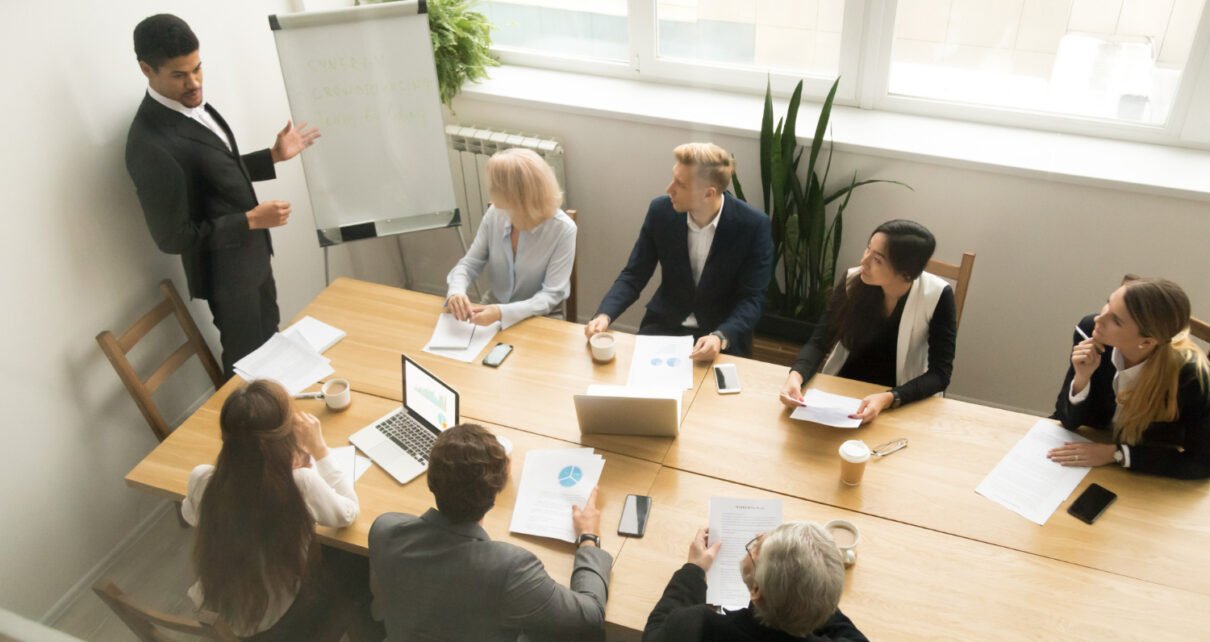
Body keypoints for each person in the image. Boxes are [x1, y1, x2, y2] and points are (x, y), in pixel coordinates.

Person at [126, 14, 320, 378]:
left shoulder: (192, 102)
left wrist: (272, 156)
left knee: (273, 354)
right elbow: (172, 237)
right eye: (180, 75)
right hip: (225, 277)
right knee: (247, 370)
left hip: (254, 259)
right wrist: (249, 220)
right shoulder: (148, 144)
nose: (195, 83)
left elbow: (211, 173)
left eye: (198, 69)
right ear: (146, 70)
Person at [369, 423, 611, 641]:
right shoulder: (510, 568)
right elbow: (589, 616)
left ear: (431, 481)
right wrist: (588, 538)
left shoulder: (385, 529)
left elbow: (379, 606)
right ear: (495, 492)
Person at [182, 380, 380, 640]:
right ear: (284, 437)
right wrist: (319, 450)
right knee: (362, 561)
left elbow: (191, 515)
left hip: (225, 606)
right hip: (279, 623)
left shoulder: (202, 479)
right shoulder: (299, 483)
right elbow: (348, 513)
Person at [584, 143, 773, 360]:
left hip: (720, 335)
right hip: (664, 326)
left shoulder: (753, 226)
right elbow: (634, 274)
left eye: (680, 184)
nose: (669, 189)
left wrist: (721, 336)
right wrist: (605, 314)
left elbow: (752, 299)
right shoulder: (660, 212)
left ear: (708, 194)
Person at [780, 220, 956, 423]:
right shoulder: (852, 281)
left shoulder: (937, 295)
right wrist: (796, 376)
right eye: (867, 249)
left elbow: (940, 374)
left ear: (906, 271)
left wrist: (889, 398)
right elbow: (819, 342)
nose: (863, 261)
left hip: (901, 397)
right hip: (842, 392)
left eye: (878, 259)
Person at [1048, 277, 1210, 479]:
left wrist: (1116, 453)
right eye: (1108, 302)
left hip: (1142, 470)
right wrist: (1082, 378)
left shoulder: (1191, 377)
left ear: (1146, 342)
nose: (1100, 318)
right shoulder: (1090, 331)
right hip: (1087, 449)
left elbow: (1202, 463)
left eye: (1116, 320)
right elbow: (1067, 420)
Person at [643, 522, 867, 641]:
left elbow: (656, 629)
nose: (756, 542)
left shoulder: (697, 626)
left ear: (757, 590)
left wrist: (693, 569)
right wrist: (812, 584)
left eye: (756, 549)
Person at [446, 148, 577, 328]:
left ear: (515, 194)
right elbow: (469, 264)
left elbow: (551, 295)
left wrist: (502, 313)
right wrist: (456, 292)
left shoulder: (563, 230)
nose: (489, 189)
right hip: (491, 311)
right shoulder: (495, 214)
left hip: (539, 319)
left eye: (495, 185)